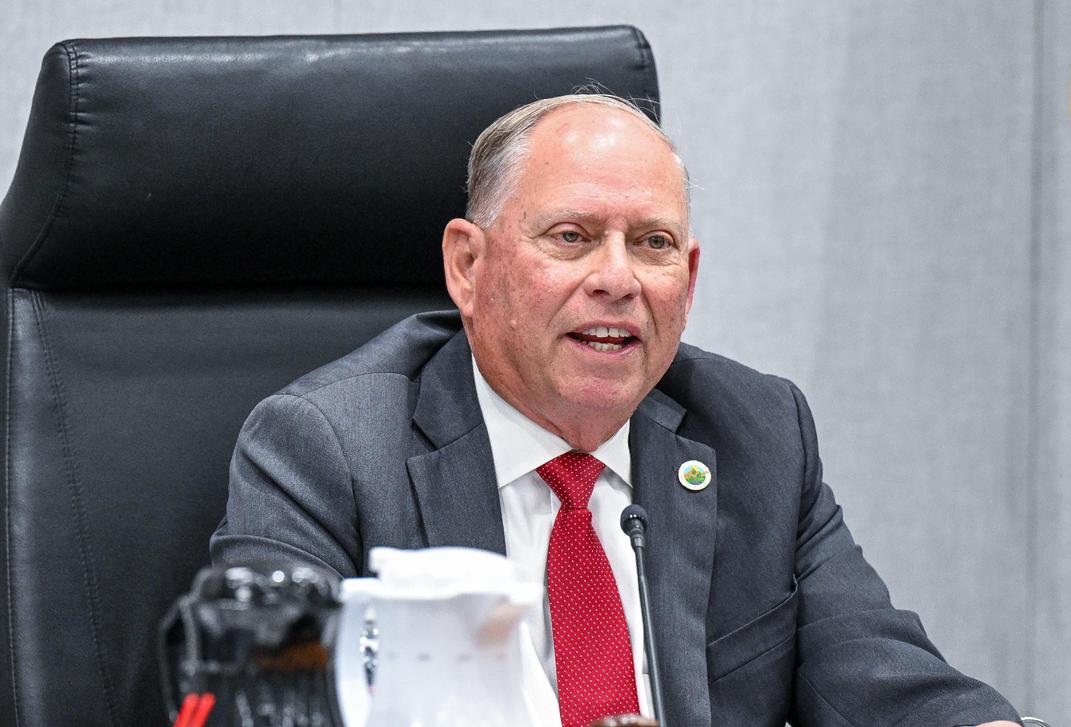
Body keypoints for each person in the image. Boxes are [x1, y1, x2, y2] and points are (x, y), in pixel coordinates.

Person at [211, 94, 1023, 727]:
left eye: (654, 243)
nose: (618, 278)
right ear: (468, 265)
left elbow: (887, 683)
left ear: (690, 278)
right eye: (571, 236)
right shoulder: (325, 446)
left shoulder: (757, 432)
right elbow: (259, 705)